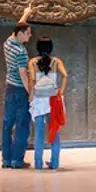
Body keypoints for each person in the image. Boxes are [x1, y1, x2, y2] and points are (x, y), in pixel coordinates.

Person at [29, 37, 68, 170]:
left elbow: (32, 80)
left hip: (39, 100)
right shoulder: (56, 62)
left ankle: (38, 163)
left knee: (39, 133)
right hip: (53, 100)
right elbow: (65, 76)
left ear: (37, 48)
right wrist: (60, 92)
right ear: (51, 47)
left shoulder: (33, 62)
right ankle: (55, 163)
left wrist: (30, 96)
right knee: (54, 131)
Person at [1, 6, 33, 169]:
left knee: (7, 125)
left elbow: (19, 24)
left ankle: (6, 160)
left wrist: (26, 13)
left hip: (9, 88)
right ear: (20, 34)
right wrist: (30, 92)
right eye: (28, 33)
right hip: (20, 90)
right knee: (22, 126)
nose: (30, 35)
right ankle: (17, 160)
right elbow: (23, 74)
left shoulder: (8, 42)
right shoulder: (21, 51)